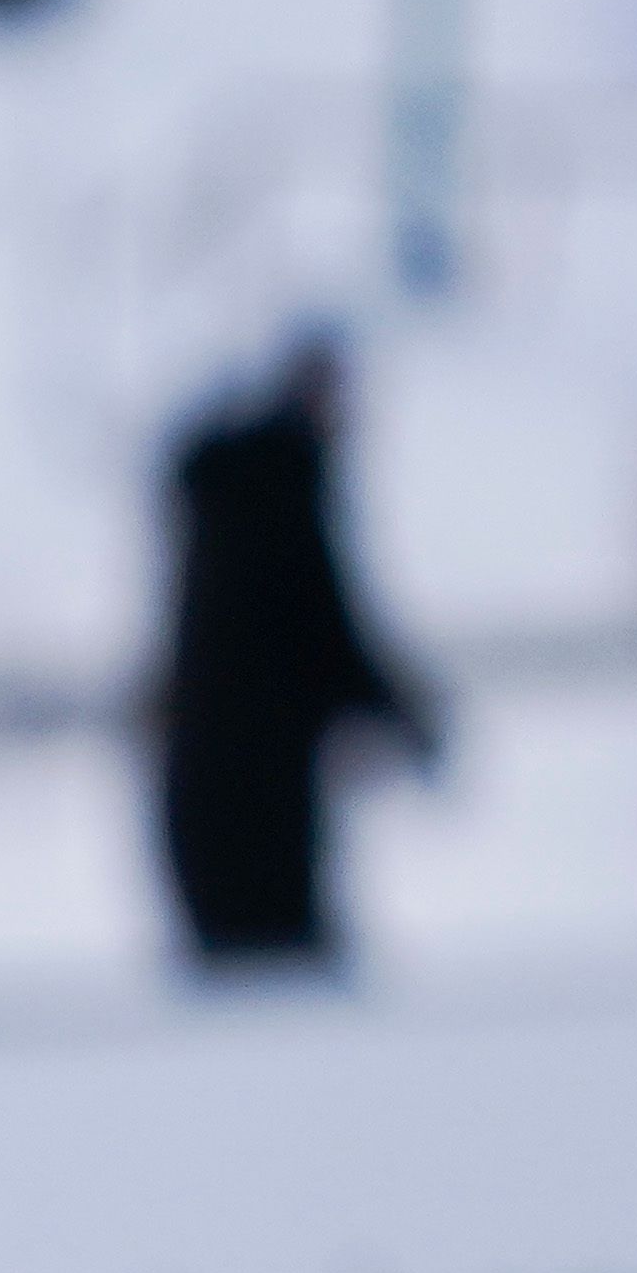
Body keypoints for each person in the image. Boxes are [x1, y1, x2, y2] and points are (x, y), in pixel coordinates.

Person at [154, 334, 433, 973]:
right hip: (264, 800)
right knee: (281, 978)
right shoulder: (284, 495)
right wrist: (408, 718)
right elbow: (328, 633)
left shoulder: (222, 500)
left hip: (202, 790)